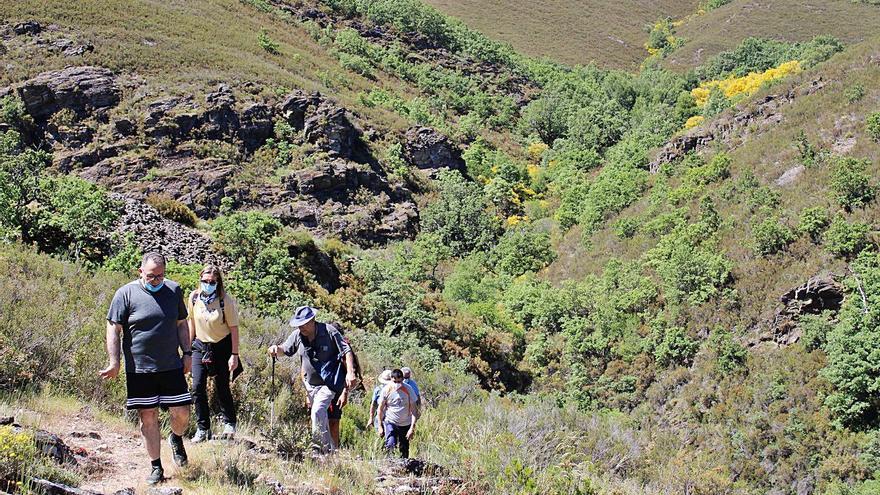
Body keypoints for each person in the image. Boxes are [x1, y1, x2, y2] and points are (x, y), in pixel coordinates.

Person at [99, 252, 192, 485]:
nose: (156, 281)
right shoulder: (125, 293)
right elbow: (113, 328)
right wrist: (114, 361)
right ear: (140, 272)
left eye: (160, 276)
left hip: (170, 365)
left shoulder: (173, 290)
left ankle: (176, 438)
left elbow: (182, 324)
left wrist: (188, 354)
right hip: (139, 369)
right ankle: (156, 467)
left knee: (181, 412)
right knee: (148, 417)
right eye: (151, 276)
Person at [267, 306, 357, 453]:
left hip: (329, 383)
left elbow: (346, 350)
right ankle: (331, 452)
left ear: (312, 321)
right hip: (310, 385)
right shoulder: (297, 335)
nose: (301, 327)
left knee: (318, 411)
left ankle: (319, 449)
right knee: (320, 417)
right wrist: (276, 349)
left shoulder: (329, 332)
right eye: (298, 324)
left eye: (303, 324)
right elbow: (286, 349)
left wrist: (350, 373)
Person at [187, 264, 241, 442]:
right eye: (205, 281)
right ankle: (203, 428)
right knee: (197, 388)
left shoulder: (225, 300)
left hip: (221, 346)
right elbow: (191, 323)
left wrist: (234, 354)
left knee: (222, 386)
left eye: (212, 281)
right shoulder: (194, 298)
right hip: (200, 345)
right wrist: (187, 350)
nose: (208, 284)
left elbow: (234, 329)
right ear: (200, 280)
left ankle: (229, 423)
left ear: (218, 282)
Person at [377, 369, 419, 459]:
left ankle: (404, 467)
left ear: (403, 379)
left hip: (405, 423)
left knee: (404, 448)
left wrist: (412, 428)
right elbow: (380, 409)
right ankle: (388, 464)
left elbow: (414, 411)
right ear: (391, 379)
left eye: (399, 381)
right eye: (394, 381)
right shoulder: (386, 390)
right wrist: (380, 426)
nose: (396, 383)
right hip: (390, 421)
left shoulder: (408, 389)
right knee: (390, 443)